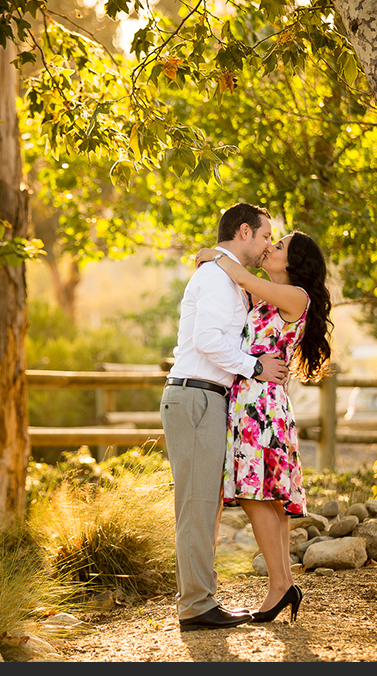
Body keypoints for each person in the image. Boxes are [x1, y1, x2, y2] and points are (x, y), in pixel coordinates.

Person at [160, 203, 290, 633]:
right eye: (266, 235)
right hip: (195, 397)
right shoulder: (216, 278)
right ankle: (196, 606)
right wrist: (254, 367)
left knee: (205, 506)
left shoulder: (226, 275)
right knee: (197, 507)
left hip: (206, 399)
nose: (269, 243)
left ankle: (201, 599)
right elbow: (208, 340)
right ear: (245, 230)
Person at [194, 230, 333, 623]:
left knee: (256, 495)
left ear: (294, 263)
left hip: (262, 408)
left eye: (280, 245)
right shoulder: (266, 299)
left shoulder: (297, 296)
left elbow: (242, 277)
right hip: (252, 404)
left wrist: (216, 255)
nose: (270, 247)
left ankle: (279, 586)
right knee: (270, 498)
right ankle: (284, 583)